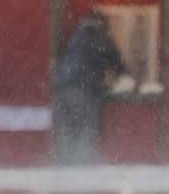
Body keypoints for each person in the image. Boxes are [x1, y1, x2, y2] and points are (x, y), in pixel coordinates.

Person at [52, 10, 133, 166]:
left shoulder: (74, 37)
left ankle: (64, 168)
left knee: (67, 130)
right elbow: (119, 65)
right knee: (86, 130)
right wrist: (125, 77)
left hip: (61, 90)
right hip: (84, 90)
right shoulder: (100, 38)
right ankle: (84, 168)